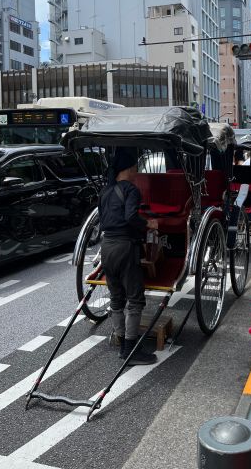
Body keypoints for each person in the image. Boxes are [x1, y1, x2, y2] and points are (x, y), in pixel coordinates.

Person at [99, 147, 158, 366]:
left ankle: (122, 340)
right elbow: (131, 217)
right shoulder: (131, 190)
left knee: (116, 298)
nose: (137, 171)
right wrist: (148, 224)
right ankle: (132, 349)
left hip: (107, 247)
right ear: (129, 168)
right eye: (135, 167)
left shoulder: (105, 191)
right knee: (135, 299)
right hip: (125, 247)